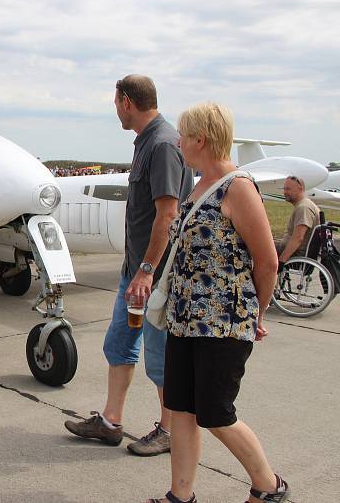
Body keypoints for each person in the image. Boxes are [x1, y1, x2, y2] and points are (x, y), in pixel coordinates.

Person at [144, 103, 287, 503]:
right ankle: (180, 496)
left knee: (215, 413)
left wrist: (257, 311)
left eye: (183, 135)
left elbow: (267, 261)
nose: (178, 141)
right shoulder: (198, 183)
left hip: (224, 324)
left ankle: (268, 486)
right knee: (183, 411)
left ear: (201, 140)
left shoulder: (237, 186)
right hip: (184, 320)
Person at [65, 75, 194, 456]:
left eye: (114, 101)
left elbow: (168, 214)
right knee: (119, 344)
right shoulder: (147, 142)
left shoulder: (163, 144)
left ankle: (168, 431)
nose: (115, 108)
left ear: (125, 101)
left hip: (153, 277)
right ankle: (110, 422)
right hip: (135, 273)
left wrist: (147, 269)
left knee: (158, 357)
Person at [275, 175, 320, 263]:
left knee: (259, 247)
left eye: (288, 189)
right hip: (293, 252)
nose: (285, 192)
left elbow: (298, 237)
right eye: (284, 189)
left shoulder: (304, 208)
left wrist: (282, 260)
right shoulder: (304, 205)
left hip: (296, 255)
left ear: (300, 189)